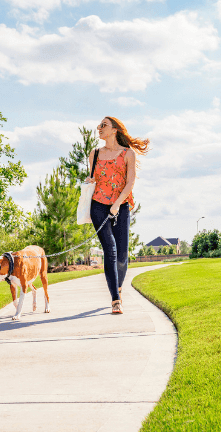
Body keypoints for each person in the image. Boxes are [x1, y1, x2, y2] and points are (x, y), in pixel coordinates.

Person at [86, 116, 149, 314]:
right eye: (99, 126)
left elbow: (130, 182)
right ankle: (115, 299)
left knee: (122, 255)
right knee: (110, 250)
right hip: (98, 206)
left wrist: (116, 204)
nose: (99, 128)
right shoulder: (94, 154)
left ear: (114, 130)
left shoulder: (128, 154)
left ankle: (118, 287)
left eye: (103, 125)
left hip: (120, 206)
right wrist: (89, 181)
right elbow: (94, 179)